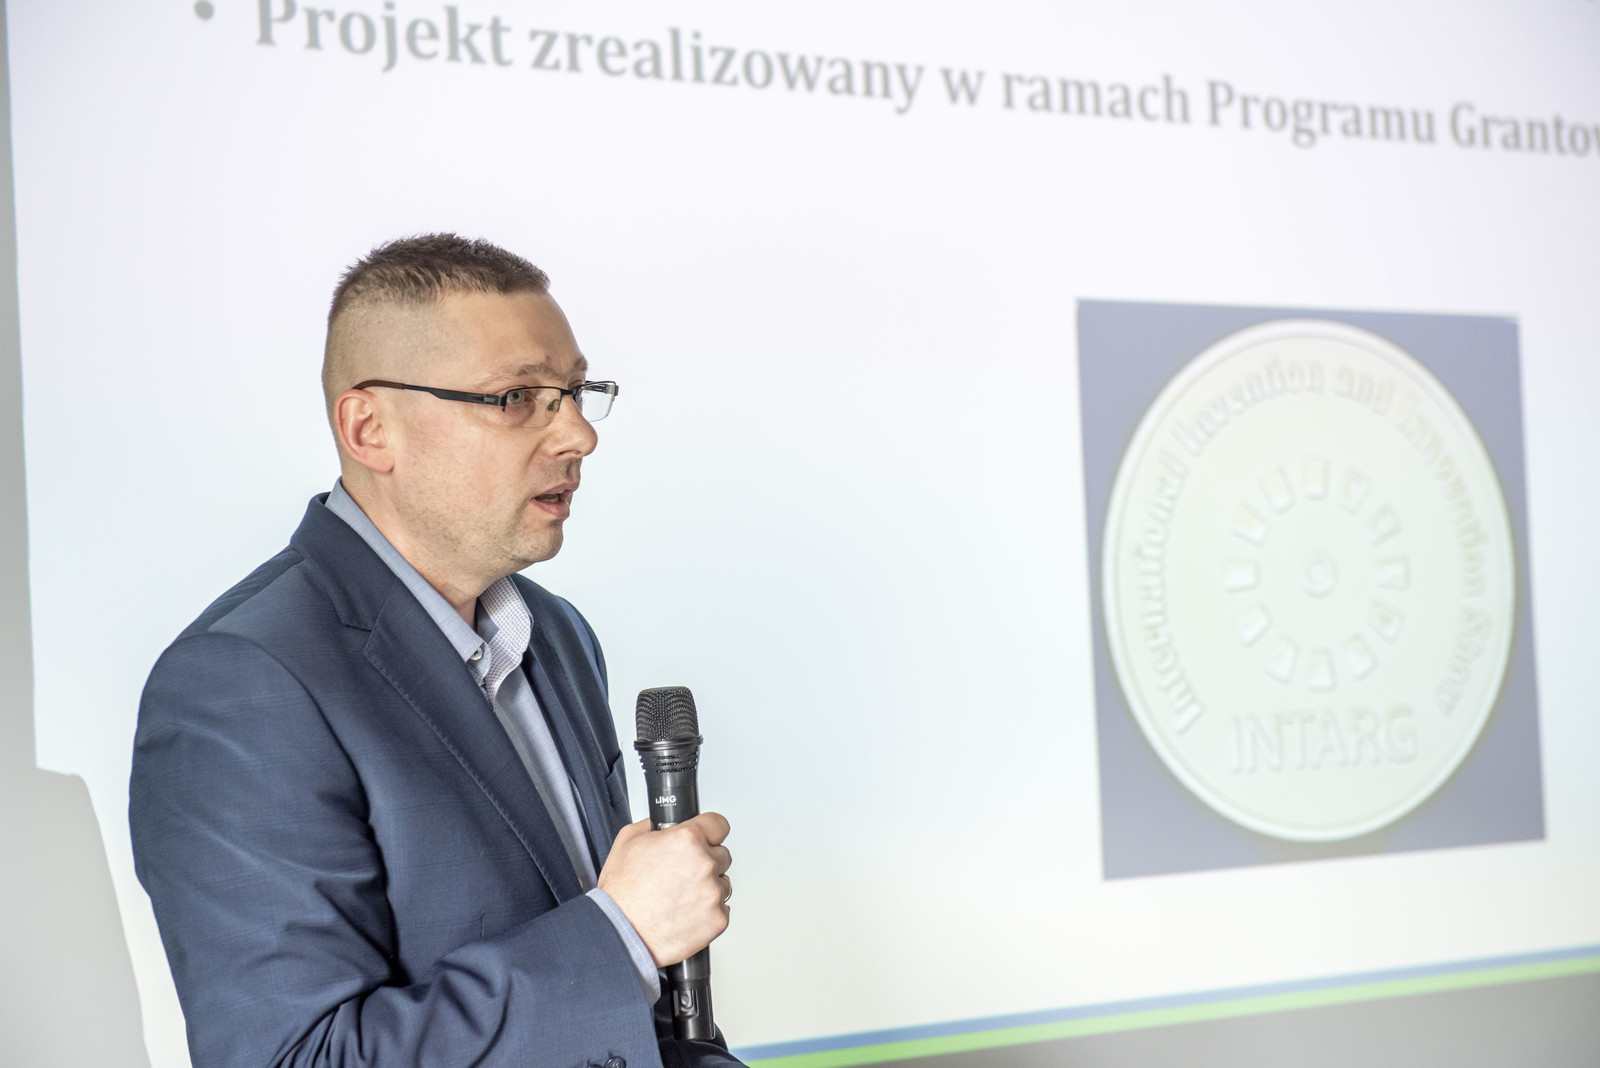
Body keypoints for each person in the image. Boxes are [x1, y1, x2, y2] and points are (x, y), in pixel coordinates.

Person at [129, 234, 742, 1068]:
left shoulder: (557, 636)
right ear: (369, 428)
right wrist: (620, 932)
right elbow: (296, 1058)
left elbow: (624, 1025)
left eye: (574, 392)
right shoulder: (242, 683)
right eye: (518, 397)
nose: (578, 436)